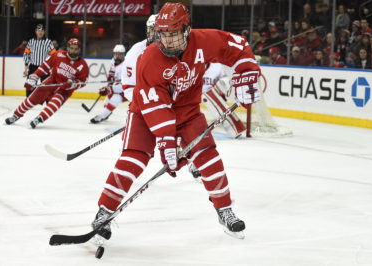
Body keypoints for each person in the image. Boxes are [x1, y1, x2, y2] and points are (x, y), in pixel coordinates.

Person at [91, 2, 261, 242]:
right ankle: (104, 212)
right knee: (133, 159)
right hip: (145, 113)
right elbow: (154, 106)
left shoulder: (203, 41)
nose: (167, 41)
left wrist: (247, 73)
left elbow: (238, 47)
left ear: (186, 30)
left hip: (187, 112)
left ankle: (224, 210)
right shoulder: (149, 59)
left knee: (208, 158)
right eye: (163, 35)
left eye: (173, 34)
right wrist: (167, 143)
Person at [4, 38, 89, 128]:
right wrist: (34, 77)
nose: (73, 51)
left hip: (65, 89)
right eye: (72, 48)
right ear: (68, 48)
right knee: (33, 98)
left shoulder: (82, 65)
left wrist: (73, 84)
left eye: (76, 49)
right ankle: (16, 115)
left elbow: (83, 82)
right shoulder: (58, 55)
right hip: (52, 80)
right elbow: (45, 66)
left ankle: (39, 118)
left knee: (55, 103)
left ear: (79, 49)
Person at [90, 44, 126, 124]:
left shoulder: (125, 65)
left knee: (115, 99)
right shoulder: (113, 60)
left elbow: (124, 86)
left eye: (119, 54)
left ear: (123, 55)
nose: (117, 56)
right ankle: (106, 114)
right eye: (116, 54)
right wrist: (110, 80)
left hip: (126, 89)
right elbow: (112, 72)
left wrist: (109, 88)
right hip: (117, 85)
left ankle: (100, 117)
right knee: (107, 101)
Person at [23, 24, 56, 97]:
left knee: (47, 86)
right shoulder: (31, 42)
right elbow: (26, 53)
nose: (40, 32)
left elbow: (53, 55)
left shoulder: (48, 42)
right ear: (36, 32)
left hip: (44, 67)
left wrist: (52, 67)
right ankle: (28, 101)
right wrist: (26, 66)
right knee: (29, 85)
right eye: (38, 31)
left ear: (44, 32)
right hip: (33, 66)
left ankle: (48, 102)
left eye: (42, 31)